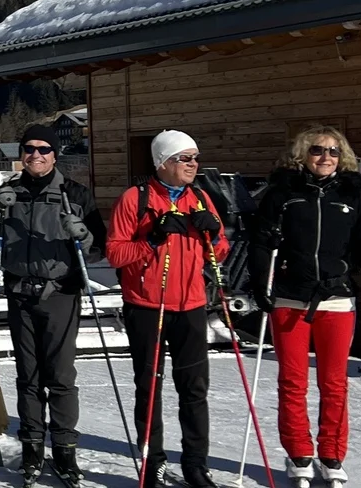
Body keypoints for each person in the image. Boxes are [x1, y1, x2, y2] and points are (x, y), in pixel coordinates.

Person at [247, 126, 361, 486]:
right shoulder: (284, 193)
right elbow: (260, 243)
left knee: (334, 383)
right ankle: (299, 455)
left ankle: (332, 455)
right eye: (317, 150)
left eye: (333, 152)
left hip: (337, 299)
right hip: (291, 298)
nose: (326, 157)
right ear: (303, 155)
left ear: (343, 157)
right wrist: (262, 284)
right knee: (292, 382)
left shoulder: (351, 195)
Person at [0, 125, 105, 484]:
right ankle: (32, 448)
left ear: (55, 153)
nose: (35, 155)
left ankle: (65, 451)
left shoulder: (74, 193)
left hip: (60, 292)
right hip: (19, 292)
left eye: (43, 149)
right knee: (28, 377)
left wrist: (84, 233)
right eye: (29, 149)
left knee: (60, 377)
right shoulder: (8, 192)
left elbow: (97, 249)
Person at [107, 130, 230, 488]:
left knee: (194, 388)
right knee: (150, 387)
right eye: (185, 158)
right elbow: (115, 253)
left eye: (195, 158)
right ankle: (152, 464)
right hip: (148, 305)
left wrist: (214, 236)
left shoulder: (201, 198)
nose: (193, 164)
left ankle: (196, 464)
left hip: (191, 305)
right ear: (163, 162)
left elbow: (219, 253)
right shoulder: (136, 198)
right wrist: (151, 239)